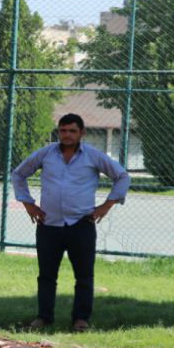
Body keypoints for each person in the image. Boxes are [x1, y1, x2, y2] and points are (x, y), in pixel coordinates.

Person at [12, 113, 130, 332]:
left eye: (72, 131)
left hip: (81, 225)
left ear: (82, 133)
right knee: (46, 275)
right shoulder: (46, 154)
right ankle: (44, 317)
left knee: (84, 276)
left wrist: (107, 206)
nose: (67, 135)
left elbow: (122, 176)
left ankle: (81, 319)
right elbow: (19, 174)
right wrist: (28, 203)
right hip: (49, 225)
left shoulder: (93, 156)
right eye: (63, 131)